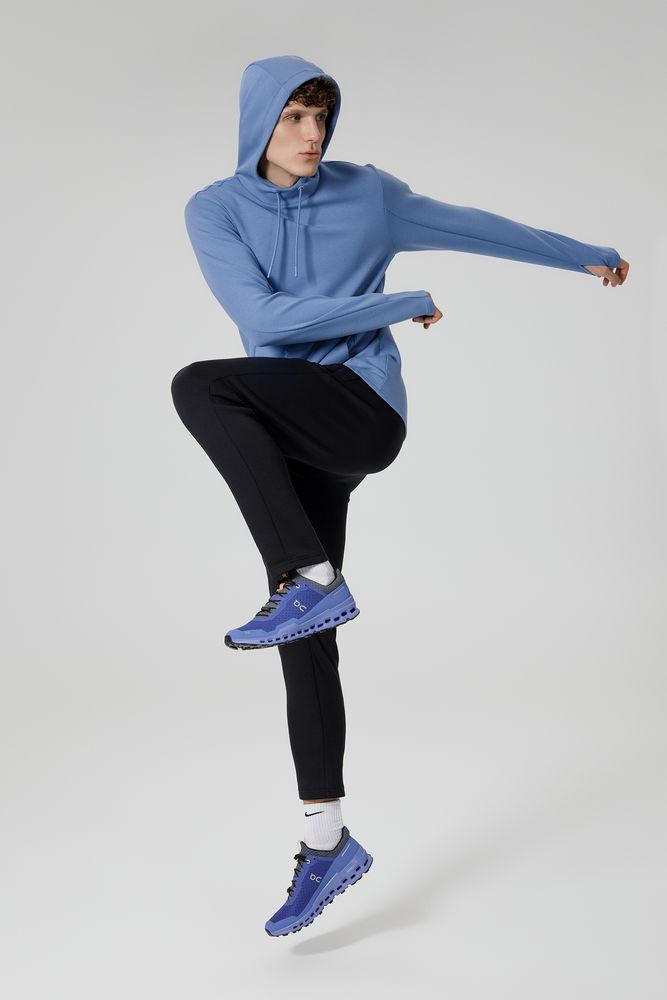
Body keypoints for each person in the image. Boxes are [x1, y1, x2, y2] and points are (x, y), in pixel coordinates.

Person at [170, 54, 628, 937]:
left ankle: (311, 579)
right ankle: (326, 842)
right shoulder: (215, 209)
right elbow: (263, 320)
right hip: (290, 429)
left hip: (360, 409)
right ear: (259, 120)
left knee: (200, 384)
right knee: (302, 639)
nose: (311, 134)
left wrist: (587, 257)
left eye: (321, 117)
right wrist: (396, 300)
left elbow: (478, 229)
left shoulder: (368, 194)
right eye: (293, 117)